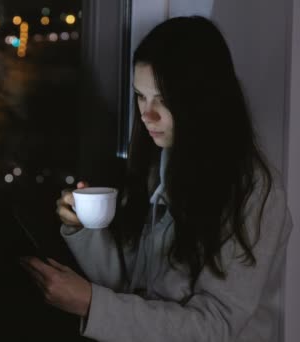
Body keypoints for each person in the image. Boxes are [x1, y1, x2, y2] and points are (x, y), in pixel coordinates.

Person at [19, 15, 293, 341]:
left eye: (163, 99)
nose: (147, 115)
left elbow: (215, 326)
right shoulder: (160, 168)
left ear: (203, 99)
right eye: (140, 96)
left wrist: (90, 303)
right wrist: (82, 228)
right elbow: (133, 289)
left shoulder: (253, 191)